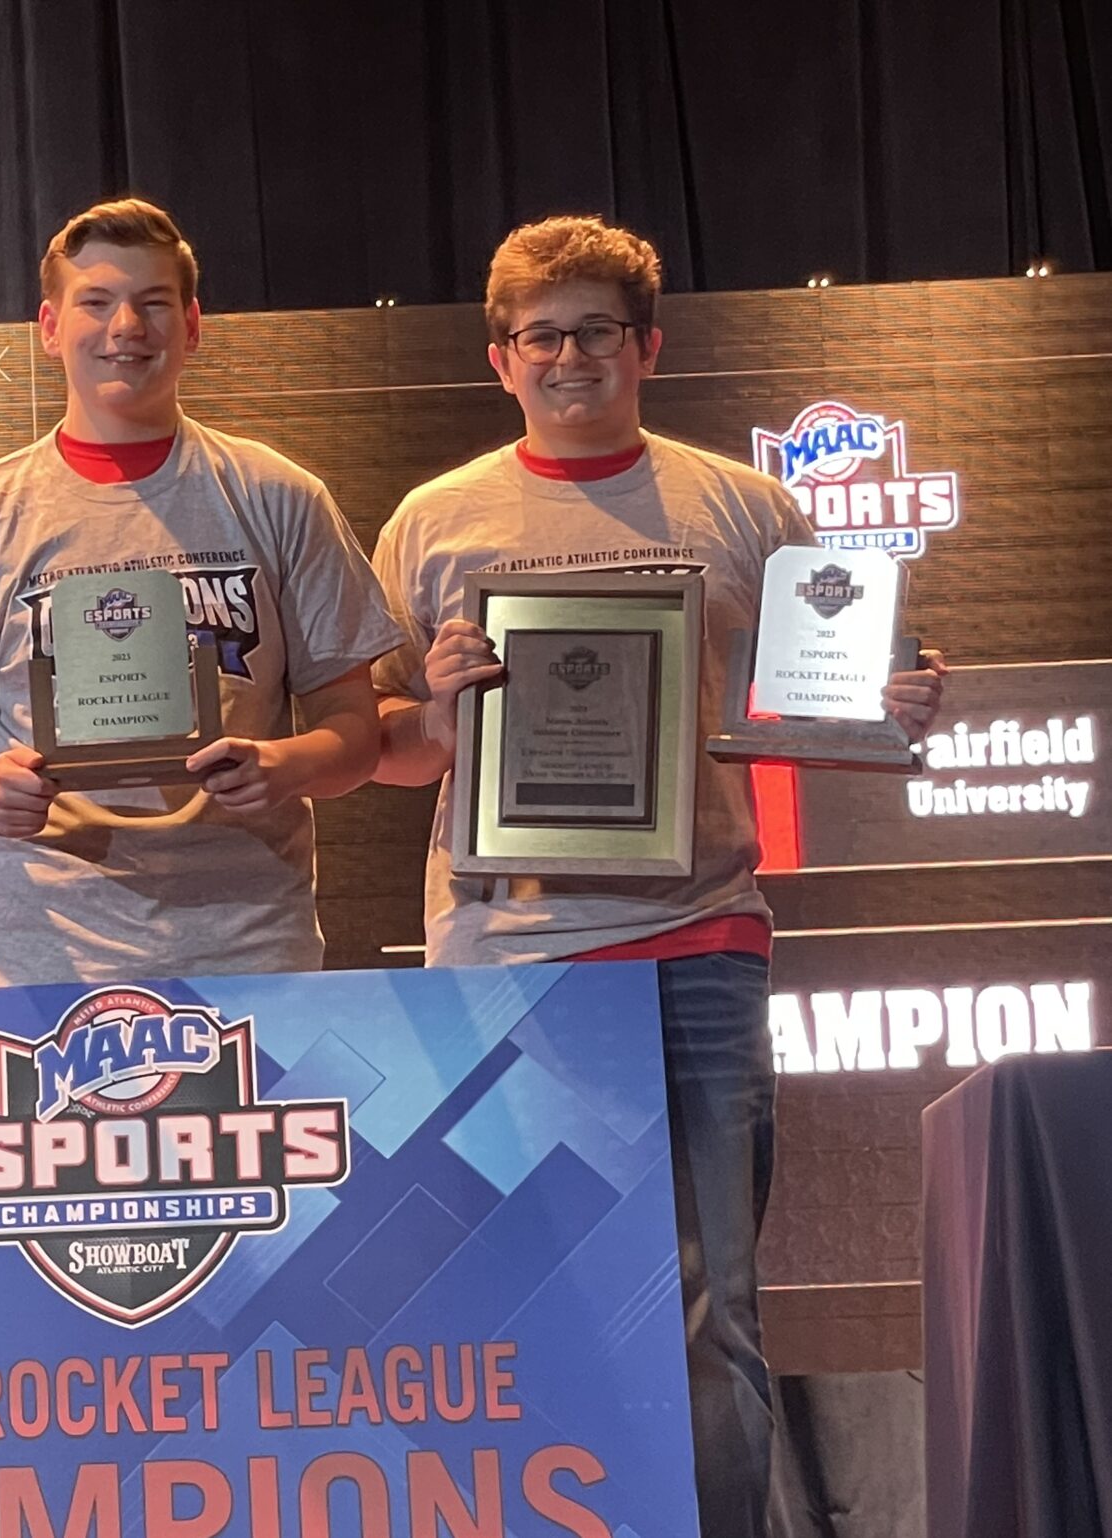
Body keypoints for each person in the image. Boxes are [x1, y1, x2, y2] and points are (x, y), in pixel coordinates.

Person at [369, 216, 945, 1538]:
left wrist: (888, 707)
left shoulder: (740, 506)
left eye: (596, 331)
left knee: (709, 1304)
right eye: (541, 335)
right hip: (507, 959)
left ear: (648, 347)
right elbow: (385, 752)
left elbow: (804, 703)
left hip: (697, 942)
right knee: (521, 1299)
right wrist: (439, 712)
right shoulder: (431, 522)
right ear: (499, 358)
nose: (568, 357)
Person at [0, 198, 402, 986]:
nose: (126, 328)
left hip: (247, 946)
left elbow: (355, 730)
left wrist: (284, 764)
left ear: (192, 326)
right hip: (39, 959)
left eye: (153, 304)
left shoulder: (280, 497)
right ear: (50, 328)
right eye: (97, 302)